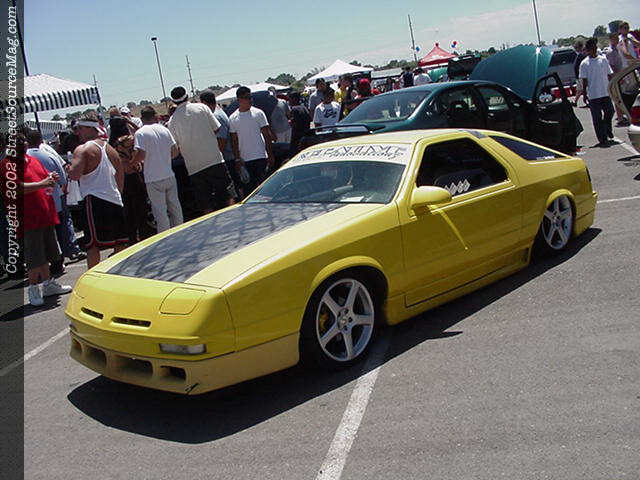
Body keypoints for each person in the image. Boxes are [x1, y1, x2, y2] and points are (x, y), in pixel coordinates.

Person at [1, 133, 72, 306]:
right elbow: (16, 188)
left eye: (23, 140)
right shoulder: (6, 165)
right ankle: (33, 288)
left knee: (48, 252)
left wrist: (51, 179)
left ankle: (48, 284)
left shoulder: (32, 160)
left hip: (45, 214)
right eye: (17, 141)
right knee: (34, 255)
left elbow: (45, 178)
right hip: (27, 218)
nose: (22, 143)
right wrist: (43, 183)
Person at [68, 112, 128, 269]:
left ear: (89, 128)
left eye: (80, 128)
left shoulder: (83, 149)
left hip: (94, 200)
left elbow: (74, 175)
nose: (78, 132)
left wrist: (69, 168)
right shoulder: (111, 149)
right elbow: (120, 176)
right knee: (120, 242)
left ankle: (92, 277)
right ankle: (120, 273)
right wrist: (117, 194)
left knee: (93, 246)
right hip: (114, 199)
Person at [167, 85, 235, 214]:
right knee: (226, 193)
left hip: (194, 167)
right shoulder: (202, 108)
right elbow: (217, 128)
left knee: (205, 201)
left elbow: (176, 147)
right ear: (187, 96)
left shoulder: (172, 121)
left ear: (173, 101)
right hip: (214, 159)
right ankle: (233, 217)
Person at [25, 129, 85, 271]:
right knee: (64, 225)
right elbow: (62, 174)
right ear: (41, 140)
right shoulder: (48, 152)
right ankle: (70, 251)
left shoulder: (26, 158)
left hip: (37, 202)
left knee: (47, 235)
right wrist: (63, 189)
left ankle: (54, 261)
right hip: (56, 196)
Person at [132, 106, 183, 232]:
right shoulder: (164, 129)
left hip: (153, 177)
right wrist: (164, 158)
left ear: (142, 118)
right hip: (168, 173)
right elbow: (175, 151)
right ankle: (180, 231)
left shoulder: (140, 133)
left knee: (160, 211)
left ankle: (165, 237)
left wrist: (133, 162)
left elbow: (141, 154)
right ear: (154, 116)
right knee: (175, 206)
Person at [109, 116, 156, 244]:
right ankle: (144, 234)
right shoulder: (129, 139)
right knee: (140, 209)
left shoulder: (111, 145)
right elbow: (139, 133)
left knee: (128, 211)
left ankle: (132, 238)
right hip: (135, 176)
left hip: (121, 179)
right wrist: (130, 122)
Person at [229, 86, 275, 194]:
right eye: (247, 97)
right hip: (245, 161)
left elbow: (267, 135)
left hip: (261, 157)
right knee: (250, 191)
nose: (250, 100)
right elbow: (234, 141)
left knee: (265, 190)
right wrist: (237, 160)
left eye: (250, 97)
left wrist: (270, 154)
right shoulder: (233, 118)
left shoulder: (259, 113)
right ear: (239, 100)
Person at [198, 89, 242, 200]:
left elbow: (221, 142)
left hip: (227, 159)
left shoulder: (216, 116)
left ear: (204, 103)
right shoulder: (218, 112)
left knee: (230, 193)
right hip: (228, 158)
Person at [579, 37, 615, 147]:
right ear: (588, 50)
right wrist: (584, 94)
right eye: (591, 49)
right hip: (593, 94)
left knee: (610, 112)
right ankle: (602, 138)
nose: (593, 50)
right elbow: (584, 80)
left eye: (595, 48)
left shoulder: (603, 60)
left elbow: (609, 74)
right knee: (597, 117)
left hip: (605, 92)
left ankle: (607, 129)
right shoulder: (584, 63)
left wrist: (613, 88)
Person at [604, 32, 628, 127]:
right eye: (614, 39)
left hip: (621, 75)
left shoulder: (617, 49)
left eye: (617, 38)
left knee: (621, 97)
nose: (617, 40)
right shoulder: (610, 52)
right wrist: (617, 77)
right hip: (615, 78)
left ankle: (622, 115)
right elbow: (611, 66)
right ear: (611, 40)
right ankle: (620, 118)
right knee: (617, 98)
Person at [287, 91, 311, 156]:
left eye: (290, 99)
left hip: (297, 138)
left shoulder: (294, 109)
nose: (289, 102)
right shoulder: (304, 108)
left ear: (294, 99)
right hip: (306, 136)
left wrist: (290, 122)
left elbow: (294, 123)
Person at [573, 41, 589, 107]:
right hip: (578, 76)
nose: (576, 49)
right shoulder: (579, 55)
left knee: (585, 89)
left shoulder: (582, 55)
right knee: (579, 90)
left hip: (582, 76)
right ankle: (575, 102)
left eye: (577, 47)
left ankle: (589, 102)